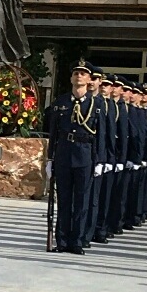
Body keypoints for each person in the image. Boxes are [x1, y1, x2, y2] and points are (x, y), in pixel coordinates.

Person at [43, 62, 104, 254]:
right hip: (63, 154)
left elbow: (101, 135)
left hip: (85, 154)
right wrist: (50, 158)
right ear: (71, 78)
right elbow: (53, 132)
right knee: (63, 199)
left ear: (88, 79)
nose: (79, 76)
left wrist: (99, 160)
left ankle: (76, 241)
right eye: (76, 73)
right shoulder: (61, 102)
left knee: (82, 200)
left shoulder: (97, 104)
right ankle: (61, 240)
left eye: (83, 74)